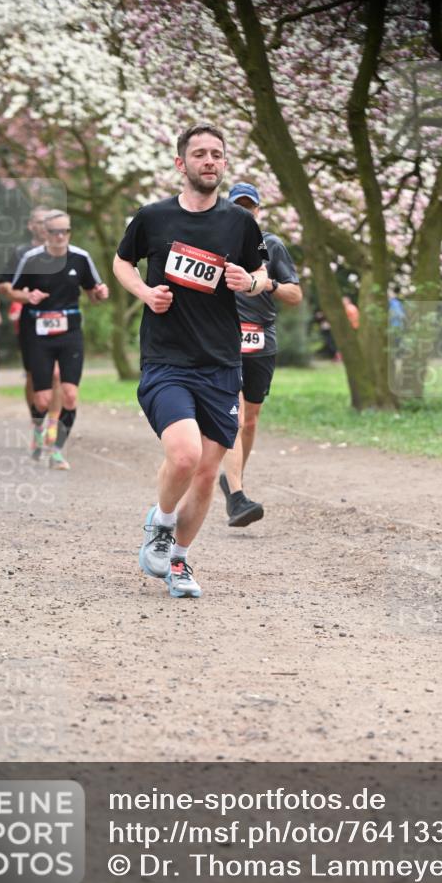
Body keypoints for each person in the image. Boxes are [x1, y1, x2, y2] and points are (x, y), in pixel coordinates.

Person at [113, 123, 268, 599]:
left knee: (205, 473)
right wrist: (145, 292)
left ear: (224, 163)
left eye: (216, 154)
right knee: (185, 455)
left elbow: (263, 274)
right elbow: (122, 262)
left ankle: (178, 561)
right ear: (181, 163)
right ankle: (161, 523)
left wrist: (250, 282)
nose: (209, 161)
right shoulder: (153, 217)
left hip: (221, 363)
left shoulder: (239, 223)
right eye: (199, 153)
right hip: (167, 360)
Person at [218, 182, 302, 527]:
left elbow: (295, 295)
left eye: (248, 207)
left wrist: (270, 284)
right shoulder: (215, 243)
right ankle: (237, 496)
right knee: (235, 417)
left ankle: (233, 480)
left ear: (257, 211)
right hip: (224, 339)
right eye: (237, 206)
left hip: (261, 341)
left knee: (250, 419)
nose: (244, 212)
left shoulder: (272, 245)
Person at [9, 210, 109, 469]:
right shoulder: (32, 259)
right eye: (54, 232)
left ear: (69, 232)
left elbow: (93, 293)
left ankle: (56, 449)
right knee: (42, 399)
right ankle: (37, 430)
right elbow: (14, 291)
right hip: (39, 334)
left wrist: (100, 293)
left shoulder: (80, 258)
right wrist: (27, 297)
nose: (60, 236)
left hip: (70, 333)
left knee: (70, 395)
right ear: (45, 233)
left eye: (64, 231)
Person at [0, 205, 64, 455]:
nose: (44, 225)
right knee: (34, 376)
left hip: (61, 319)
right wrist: (23, 296)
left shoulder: (63, 250)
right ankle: (37, 425)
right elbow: (4, 286)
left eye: (49, 221)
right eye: (39, 221)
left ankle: (52, 430)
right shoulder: (21, 253)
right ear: (31, 225)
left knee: (56, 374)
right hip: (32, 322)